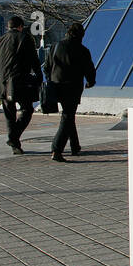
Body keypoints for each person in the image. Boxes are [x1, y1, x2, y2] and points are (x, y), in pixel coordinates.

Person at [0, 16, 42, 155]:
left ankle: (15, 144)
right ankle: (13, 138)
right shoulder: (25, 38)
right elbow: (34, 60)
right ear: (20, 26)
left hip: (3, 82)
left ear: (8, 27)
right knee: (27, 109)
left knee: (9, 114)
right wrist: (39, 76)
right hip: (20, 81)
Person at [45, 21, 96, 162]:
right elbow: (89, 69)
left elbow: (47, 67)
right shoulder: (82, 50)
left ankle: (75, 146)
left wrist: (51, 79)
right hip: (72, 87)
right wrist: (90, 82)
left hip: (56, 85)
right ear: (81, 35)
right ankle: (56, 149)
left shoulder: (55, 47)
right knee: (67, 116)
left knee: (68, 116)